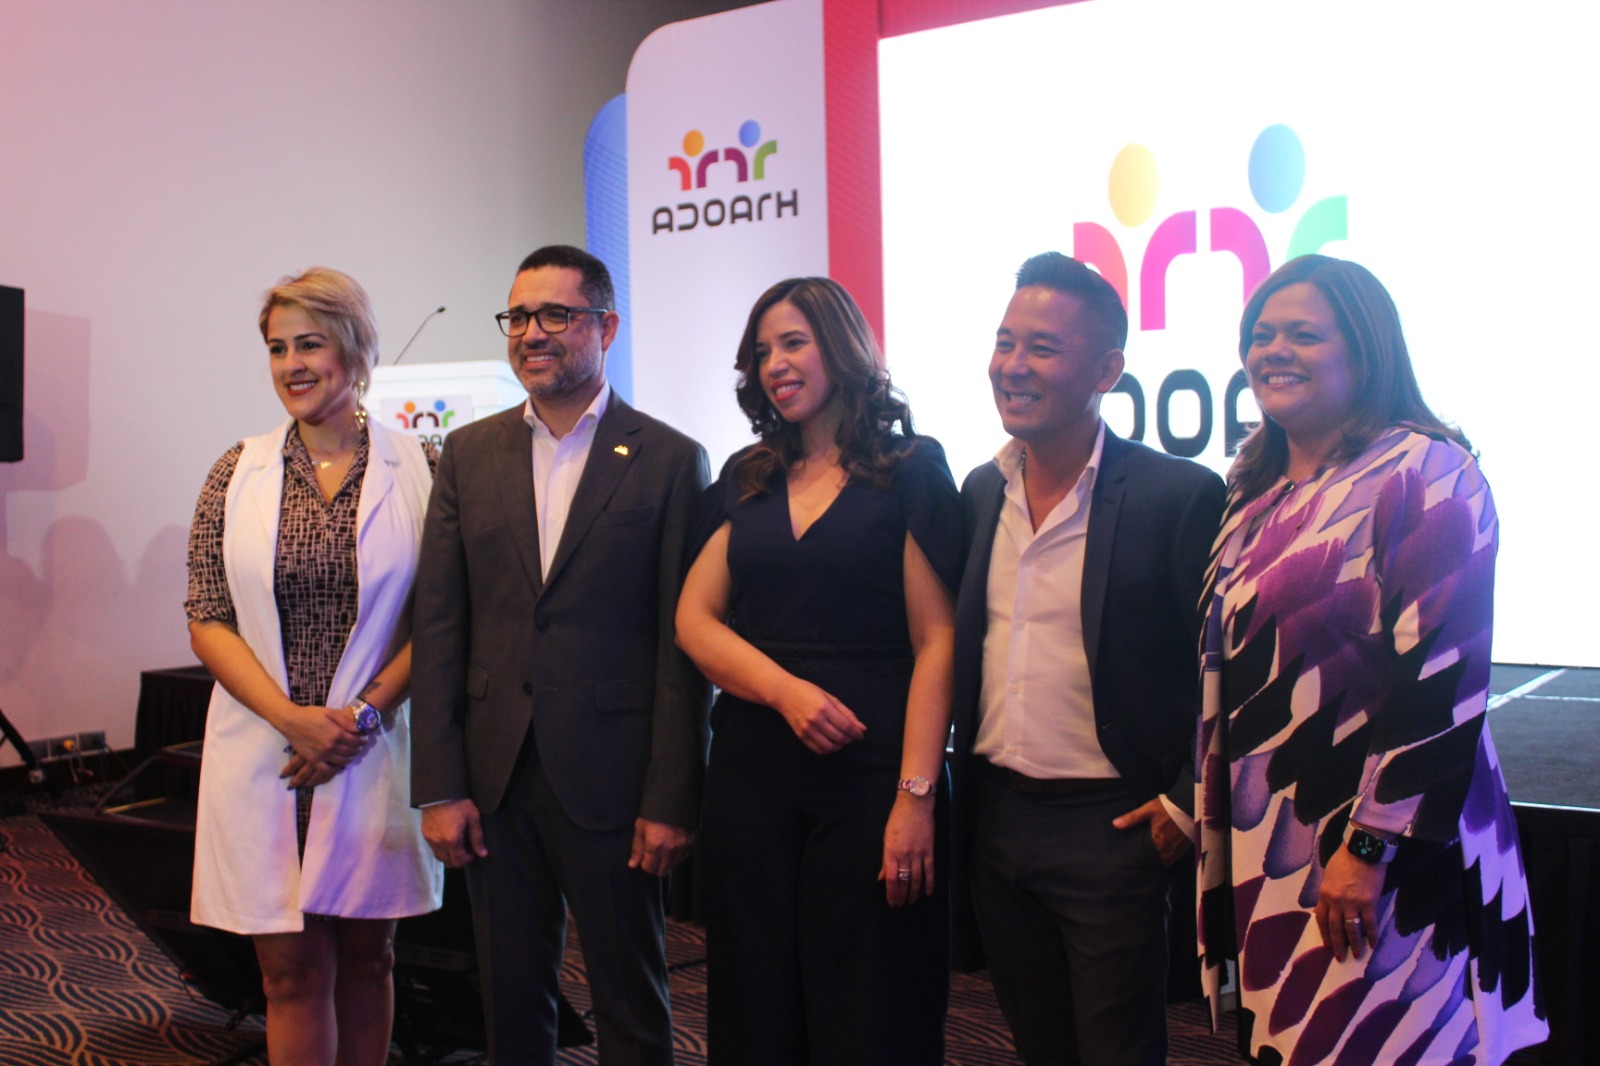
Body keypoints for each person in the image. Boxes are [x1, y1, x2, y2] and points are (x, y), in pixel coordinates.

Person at [1197, 255, 1548, 1064]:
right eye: (1261, 334)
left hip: (1383, 853)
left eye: (1304, 334)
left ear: (1366, 350)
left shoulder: (1425, 469)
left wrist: (1369, 848)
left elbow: (1442, 678)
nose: (1274, 351)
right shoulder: (1253, 491)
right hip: (1274, 848)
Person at [409, 245, 711, 1066]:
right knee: (510, 1001)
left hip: (616, 782)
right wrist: (440, 784)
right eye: (518, 317)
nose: (531, 333)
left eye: (555, 315)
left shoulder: (670, 460)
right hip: (493, 779)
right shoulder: (468, 454)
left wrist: (672, 797)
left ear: (605, 328)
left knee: (630, 1002)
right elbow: (440, 625)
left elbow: (683, 650)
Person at [948, 251, 1225, 1066]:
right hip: (997, 819)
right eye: (1005, 342)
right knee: (1037, 1044)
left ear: (1107, 370)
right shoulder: (980, 491)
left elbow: (1226, 672)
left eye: (1042, 348)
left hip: (1114, 826)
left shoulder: (1177, 496)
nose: (1013, 365)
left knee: (1117, 1051)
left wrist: (1184, 805)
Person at [675, 277, 961, 1065]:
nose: (775, 364)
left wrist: (915, 797)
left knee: (869, 1008)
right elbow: (694, 621)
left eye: (794, 343)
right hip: (751, 776)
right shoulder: (748, 475)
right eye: (762, 350)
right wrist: (786, 693)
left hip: (873, 774)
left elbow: (937, 640)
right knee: (756, 1004)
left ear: (843, 347)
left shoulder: (911, 469)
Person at [185, 267, 443, 1066]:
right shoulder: (237, 470)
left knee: (370, 960)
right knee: (290, 975)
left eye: (310, 344)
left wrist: (360, 717)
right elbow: (207, 618)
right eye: (277, 348)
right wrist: (293, 720)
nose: (292, 364)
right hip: (269, 751)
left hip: (371, 746)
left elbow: (442, 618)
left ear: (355, 351)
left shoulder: (425, 466)